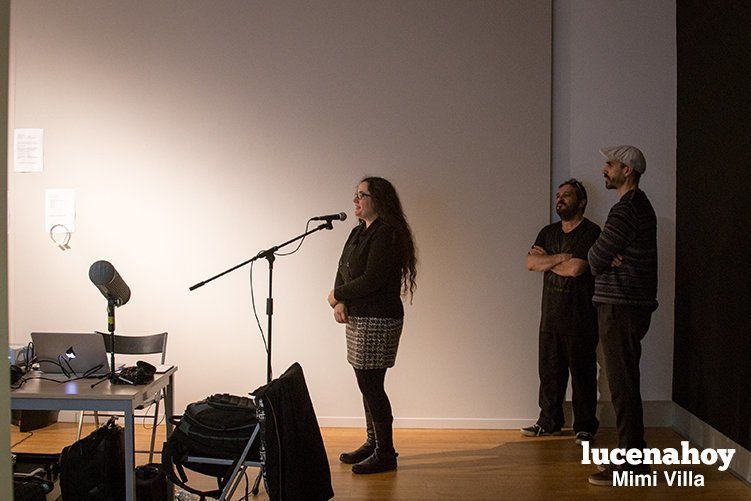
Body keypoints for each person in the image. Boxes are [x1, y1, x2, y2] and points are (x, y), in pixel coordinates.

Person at [328, 176, 417, 474]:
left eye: (362, 195)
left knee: (372, 385)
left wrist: (338, 295)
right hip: (359, 316)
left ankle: (385, 453)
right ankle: (373, 442)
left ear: (378, 199)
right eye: (355, 194)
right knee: (364, 382)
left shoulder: (387, 234)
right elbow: (343, 269)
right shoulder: (358, 232)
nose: (355, 200)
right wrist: (339, 300)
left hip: (379, 317)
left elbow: (372, 279)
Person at [586, 145, 658, 486]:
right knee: (625, 382)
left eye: (610, 164)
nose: (604, 169)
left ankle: (633, 462)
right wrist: (605, 252)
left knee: (622, 384)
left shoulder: (626, 210)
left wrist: (604, 253)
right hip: (630, 306)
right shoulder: (638, 207)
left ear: (627, 170)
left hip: (621, 307)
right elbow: (602, 254)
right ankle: (634, 456)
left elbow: (595, 258)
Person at [522, 179, 601, 445]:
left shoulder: (591, 231)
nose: (560, 199)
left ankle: (585, 426)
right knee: (549, 373)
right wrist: (562, 258)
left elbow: (577, 269)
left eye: (567, 195)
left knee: (583, 375)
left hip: (581, 318)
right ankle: (549, 422)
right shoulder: (547, 231)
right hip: (551, 316)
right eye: (558, 195)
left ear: (582, 202)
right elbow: (531, 263)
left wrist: (550, 261)